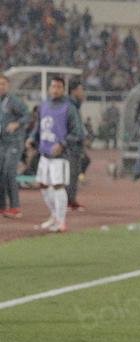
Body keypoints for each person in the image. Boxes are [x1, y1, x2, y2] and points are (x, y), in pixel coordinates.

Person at [24, 76, 83, 233]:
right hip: (44, 152)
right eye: (53, 87)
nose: (55, 90)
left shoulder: (69, 108)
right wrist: (31, 138)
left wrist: (62, 144)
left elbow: (77, 133)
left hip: (60, 155)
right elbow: (39, 126)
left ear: (63, 90)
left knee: (58, 185)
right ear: (49, 89)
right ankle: (54, 215)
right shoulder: (43, 106)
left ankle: (61, 222)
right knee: (43, 184)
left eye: (58, 87)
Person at [0, 74, 29, 218]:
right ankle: (2, 206)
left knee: (9, 172)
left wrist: (16, 124)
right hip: (2, 142)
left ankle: (15, 207)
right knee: (1, 172)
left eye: (3, 84)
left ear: (8, 85)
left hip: (14, 142)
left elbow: (27, 115)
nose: (1, 87)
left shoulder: (14, 101)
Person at [66, 79, 87, 211]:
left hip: (76, 144)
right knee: (70, 174)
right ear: (74, 91)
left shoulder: (75, 105)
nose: (83, 92)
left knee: (74, 174)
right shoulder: (69, 106)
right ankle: (68, 201)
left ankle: (71, 200)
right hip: (70, 144)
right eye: (81, 90)